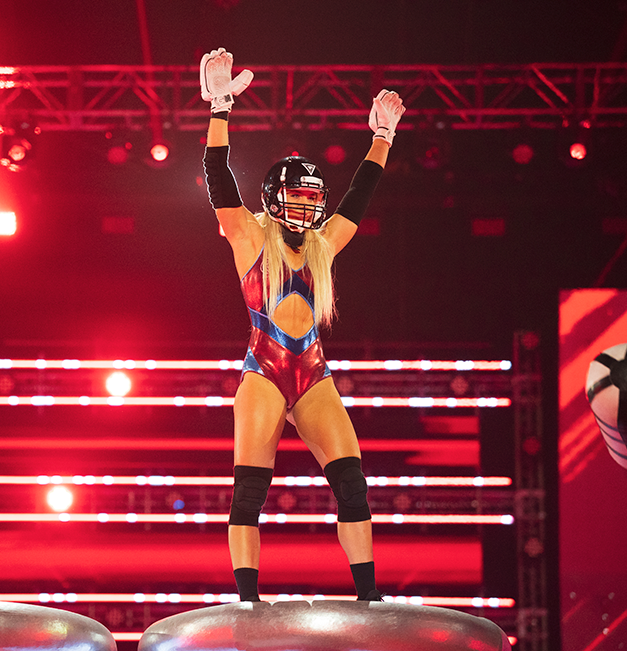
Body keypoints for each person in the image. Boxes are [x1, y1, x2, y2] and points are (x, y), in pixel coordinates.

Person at [200, 48, 406, 602]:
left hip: (313, 373)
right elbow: (218, 176)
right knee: (249, 493)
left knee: (353, 486)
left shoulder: (323, 245)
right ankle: (246, 601)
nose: (310, 210)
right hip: (265, 374)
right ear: (274, 199)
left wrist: (381, 139)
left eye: (315, 199)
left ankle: (369, 598)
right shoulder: (248, 235)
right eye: (298, 198)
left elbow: (360, 196)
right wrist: (220, 109)